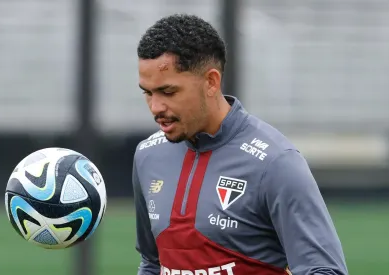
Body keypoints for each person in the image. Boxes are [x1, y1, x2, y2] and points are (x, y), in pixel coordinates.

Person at [132, 13, 348, 275]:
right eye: (148, 93)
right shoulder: (147, 156)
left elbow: (325, 270)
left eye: (168, 92)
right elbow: (153, 263)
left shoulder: (276, 162)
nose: (156, 107)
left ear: (211, 82)